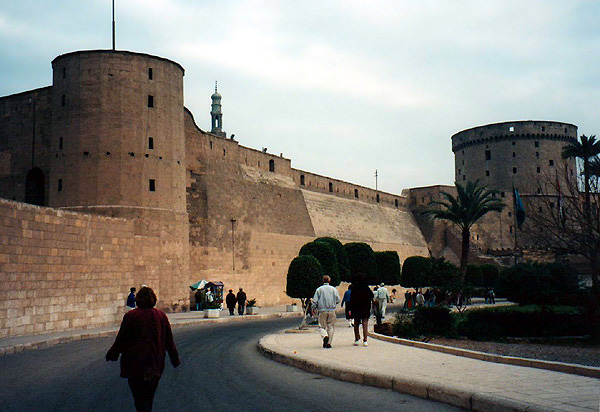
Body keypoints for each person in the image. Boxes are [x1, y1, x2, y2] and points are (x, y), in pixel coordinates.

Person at [106, 286, 180, 412]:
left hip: (134, 364)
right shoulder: (161, 316)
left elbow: (121, 339)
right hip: (155, 363)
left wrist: (113, 354)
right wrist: (175, 359)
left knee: (139, 398)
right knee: (149, 397)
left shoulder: (131, 316)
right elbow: (169, 341)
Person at [312, 275, 340, 348]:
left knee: (322, 326)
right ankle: (329, 343)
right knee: (331, 327)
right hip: (332, 310)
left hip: (322, 310)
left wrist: (314, 308)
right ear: (329, 281)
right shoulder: (334, 289)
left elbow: (315, 301)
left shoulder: (319, 289)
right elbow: (338, 300)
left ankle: (325, 336)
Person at [350, 273, 374, 347]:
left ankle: (357, 339)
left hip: (356, 308)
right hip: (365, 307)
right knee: (365, 323)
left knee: (356, 324)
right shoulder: (366, 287)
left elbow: (352, 299)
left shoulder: (354, 288)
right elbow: (372, 295)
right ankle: (365, 340)